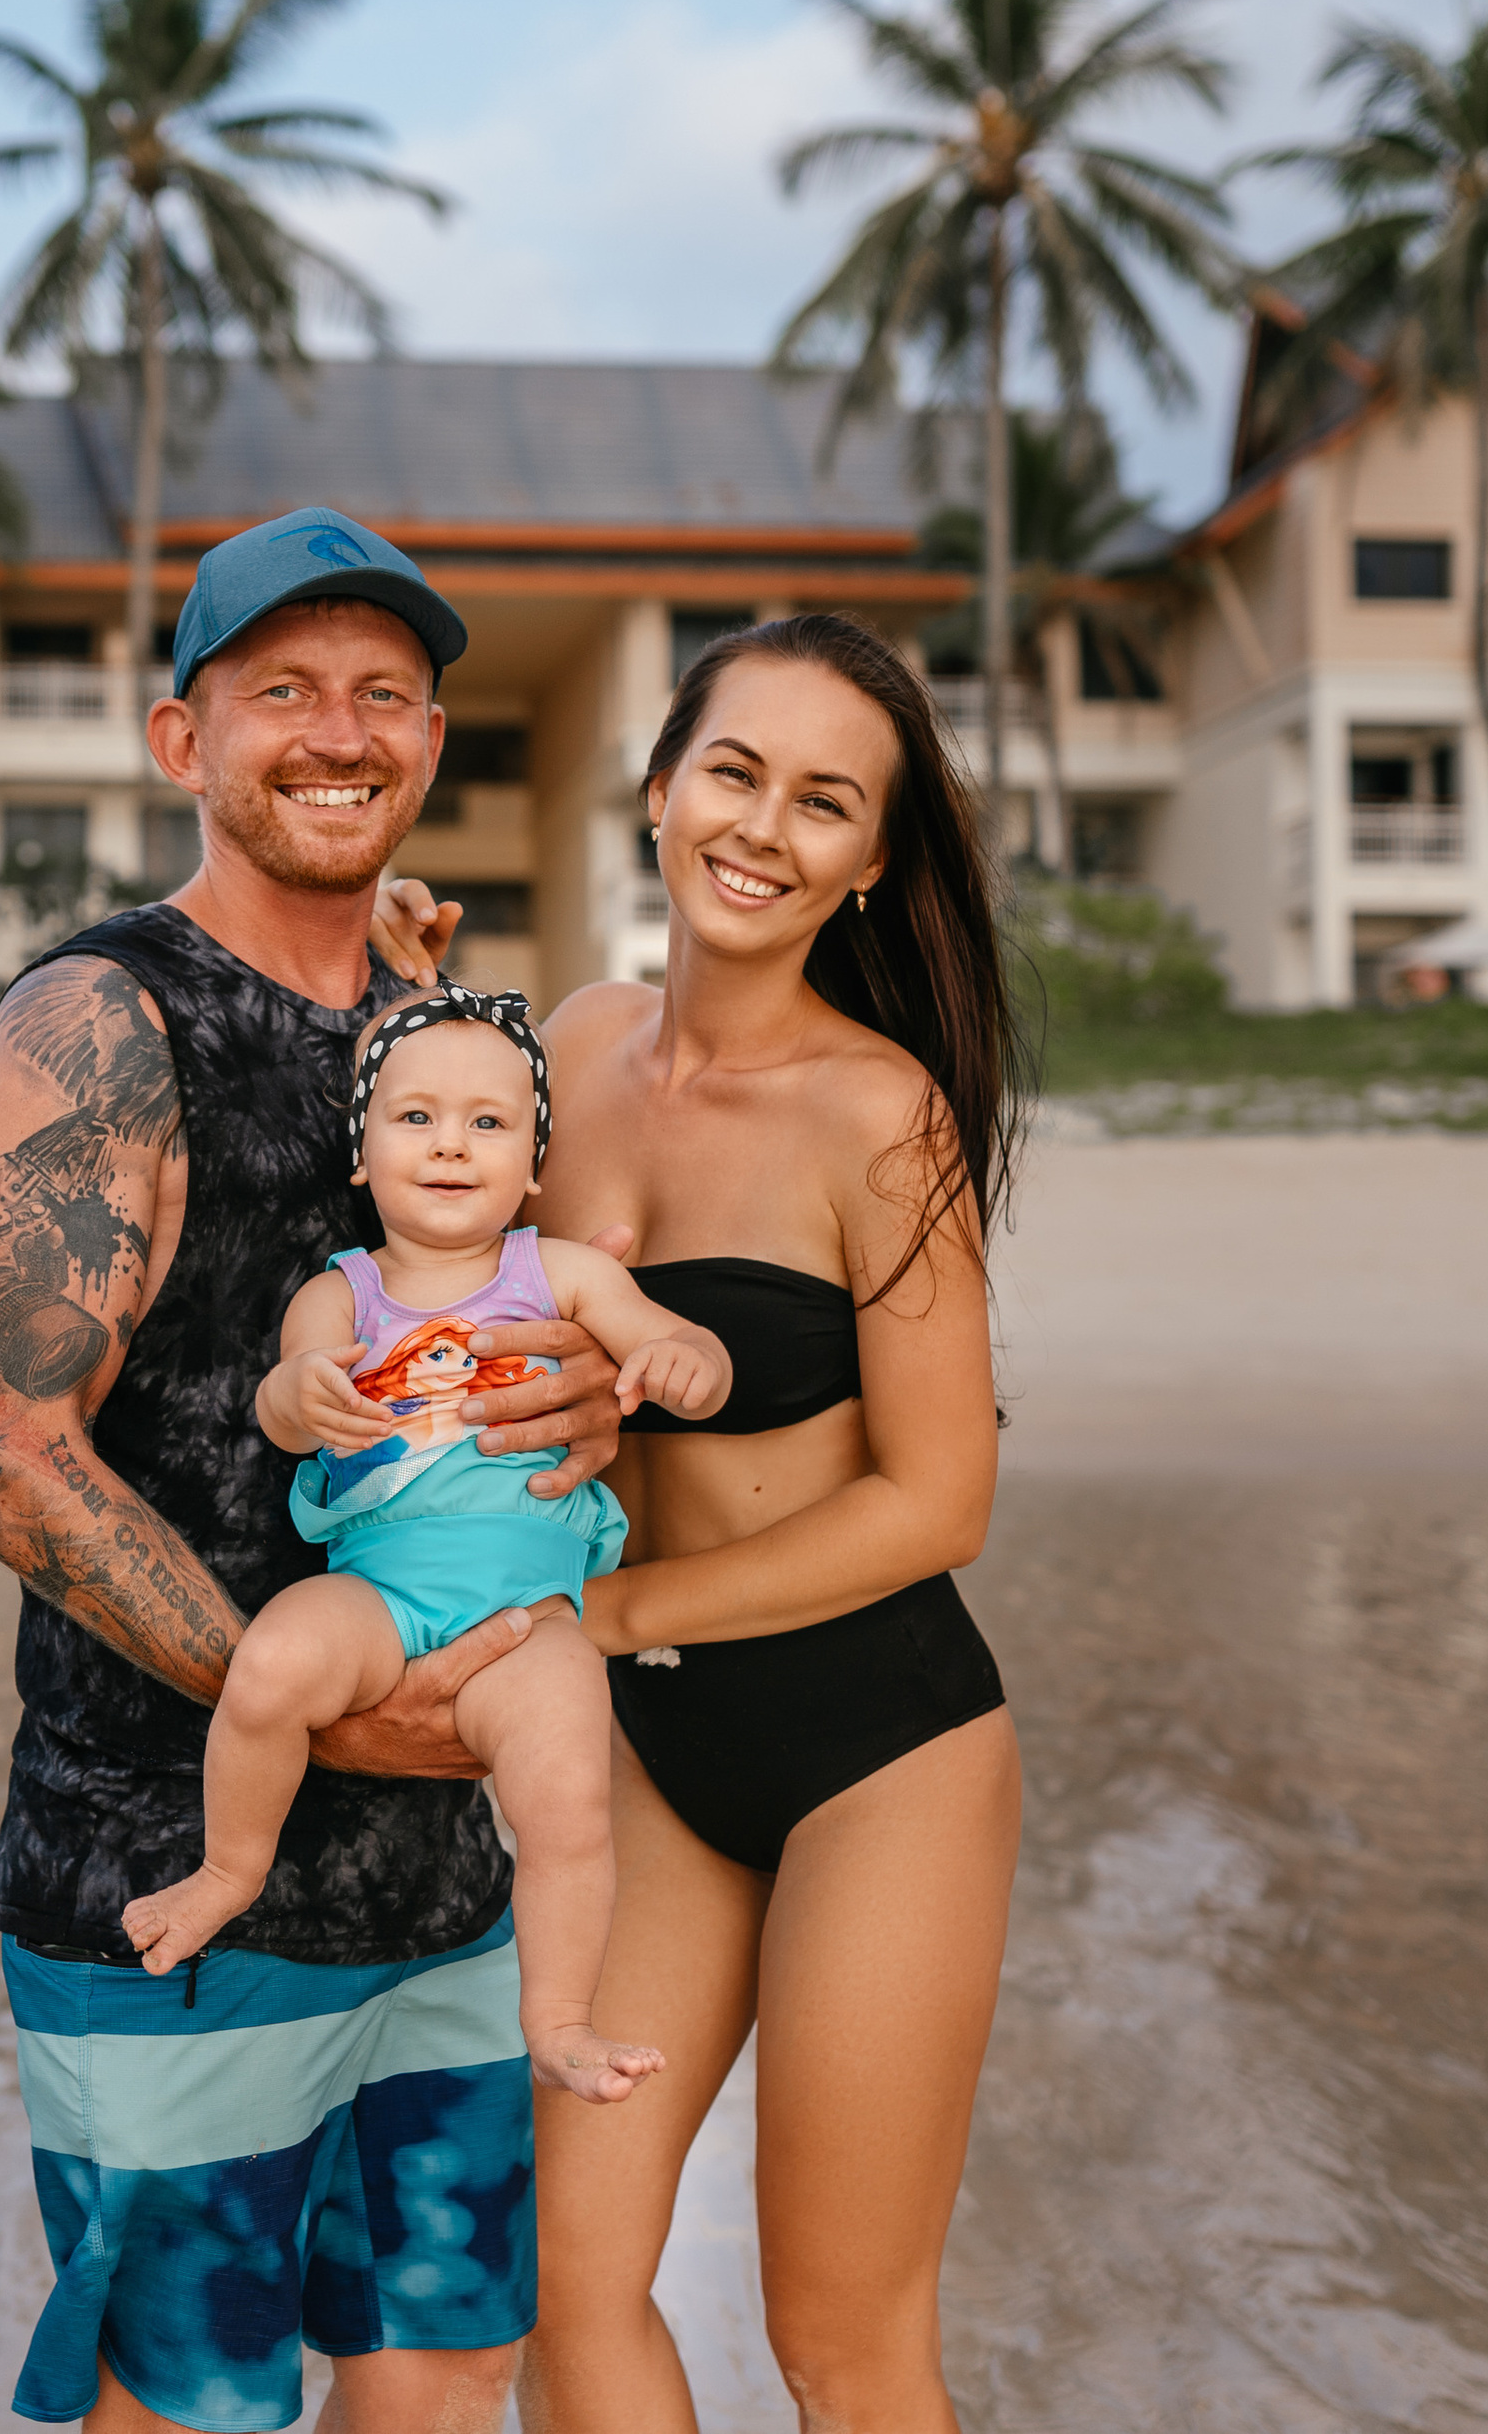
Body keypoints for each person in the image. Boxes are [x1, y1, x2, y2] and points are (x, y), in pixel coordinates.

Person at [0, 507, 630, 2434]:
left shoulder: (425, 1047)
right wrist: (327, 1714)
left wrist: (581, 1404)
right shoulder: (100, 1018)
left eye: (384, 694)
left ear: (429, 742)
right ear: (186, 743)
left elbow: (496, 1324)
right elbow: (2, 1460)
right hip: (169, 1876)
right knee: (191, 2402)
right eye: (282, 694)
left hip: (445, 1890)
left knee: (446, 2370)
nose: (339, 732)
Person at [493, 613, 1029, 2434]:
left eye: (824, 802)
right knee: (567, 2292)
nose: (763, 825)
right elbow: (439, 1205)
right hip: (657, 1752)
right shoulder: (572, 1044)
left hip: (880, 1752)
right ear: (657, 787)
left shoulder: (881, 1117)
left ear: (868, 863)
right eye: (733, 770)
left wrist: (624, 1605)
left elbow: (940, 1500)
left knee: (843, 2342)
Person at [121, 987, 731, 2112]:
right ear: (360, 1153)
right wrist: (306, 1395)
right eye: (416, 1119)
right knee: (268, 1669)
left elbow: (665, 1337)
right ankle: (227, 1868)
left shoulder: (560, 1274)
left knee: (566, 1793)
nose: (451, 1142)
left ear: (534, 1160)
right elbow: (282, 1399)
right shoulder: (340, 1292)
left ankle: (557, 2021)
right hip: (380, 1591)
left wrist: (687, 1359)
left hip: (528, 1619)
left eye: (488, 1123)